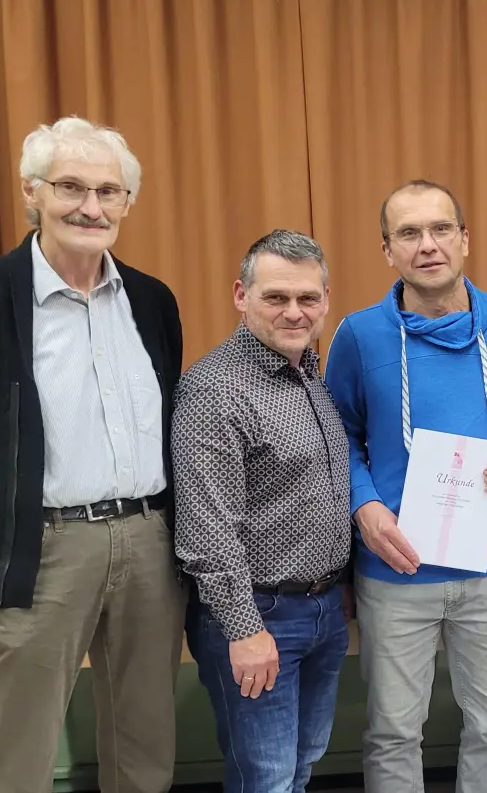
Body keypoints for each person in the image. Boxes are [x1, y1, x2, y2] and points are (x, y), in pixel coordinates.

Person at [0, 116, 185, 793]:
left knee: (146, 750)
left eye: (108, 191)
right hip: (40, 551)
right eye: (70, 187)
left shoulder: (151, 301)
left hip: (150, 544)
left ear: (128, 203)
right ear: (32, 192)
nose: (91, 207)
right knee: (18, 763)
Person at [325, 180, 487, 793]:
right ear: (386, 249)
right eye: (409, 234)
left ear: (465, 239)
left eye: (441, 229)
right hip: (397, 569)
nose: (428, 245)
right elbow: (336, 431)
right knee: (393, 732)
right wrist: (362, 504)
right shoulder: (359, 335)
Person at [173, 230, 354, 793]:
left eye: (307, 298)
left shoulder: (310, 372)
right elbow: (207, 525)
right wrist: (244, 629)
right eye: (276, 297)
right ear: (240, 295)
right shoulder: (215, 388)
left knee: (301, 766)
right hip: (259, 615)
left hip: (323, 608)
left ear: (326, 300)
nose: (294, 312)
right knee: (266, 779)